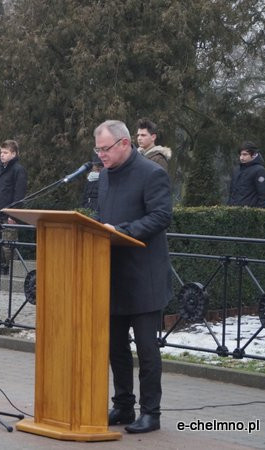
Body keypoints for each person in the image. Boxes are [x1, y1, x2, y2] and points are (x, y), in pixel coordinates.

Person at [94, 120, 172, 434]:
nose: (101, 154)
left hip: (144, 278)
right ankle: (123, 406)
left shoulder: (152, 173)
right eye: (98, 149)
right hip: (112, 276)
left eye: (105, 148)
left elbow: (161, 216)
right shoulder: (104, 177)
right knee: (115, 347)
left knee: (147, 350)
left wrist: (123, 232)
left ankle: (150, 413)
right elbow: (102, 219)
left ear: (124, 144)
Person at [0, 139, 27, 272]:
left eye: (5, 152)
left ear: (14, 154)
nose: (2, 155)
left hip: (8, 215)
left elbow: (19, 194)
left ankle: (12, 270)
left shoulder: (18, 170)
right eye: (1, 152)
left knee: (8, 245)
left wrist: (14, 214)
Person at [227, 141, 265, 208]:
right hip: (233, 213)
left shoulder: (259, 170)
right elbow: (232, 192)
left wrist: (259, 214)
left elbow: (263, 196)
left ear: (254, 155)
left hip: (250, 214)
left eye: (245, 154)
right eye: (241, 154)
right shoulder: (237, 170)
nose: (241, 157)